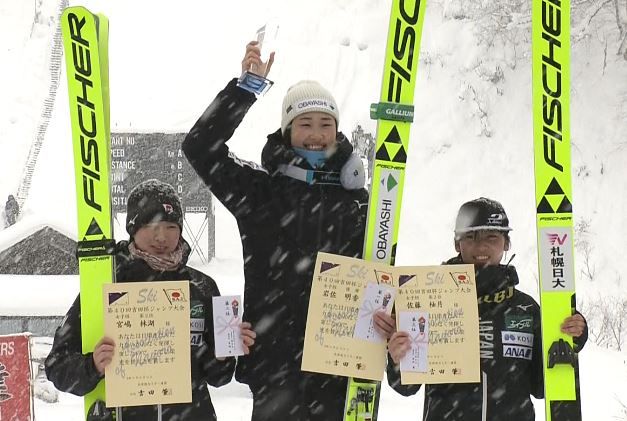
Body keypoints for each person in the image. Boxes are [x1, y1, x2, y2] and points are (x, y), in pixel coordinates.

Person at [182, 42, 368, 421]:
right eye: (305, 123)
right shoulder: (259, 192)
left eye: (325, 123)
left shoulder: (362, 204)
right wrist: (246, 88)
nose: (316, 134)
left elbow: (381, 276)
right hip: (275, 372)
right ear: (287, 130)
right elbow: (200, 147)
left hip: (345, 372)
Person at [45, 179, 256, 421]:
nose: (161, 237)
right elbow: (56, 366)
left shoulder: (201, 287)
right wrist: (92, 366)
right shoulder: (106, 285)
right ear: (133, 229)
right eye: (151, 225)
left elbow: (219, 377)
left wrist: (224, 350)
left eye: (171, 226)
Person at [373, 197, 588, 421]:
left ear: (506, 243)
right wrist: (398, 358)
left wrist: (573, 337)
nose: (481, 246)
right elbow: (405, 388)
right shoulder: (427, 301)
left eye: (492, 237)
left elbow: (541, 388)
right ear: (457, 243)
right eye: (471, 237)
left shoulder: (526, 309)